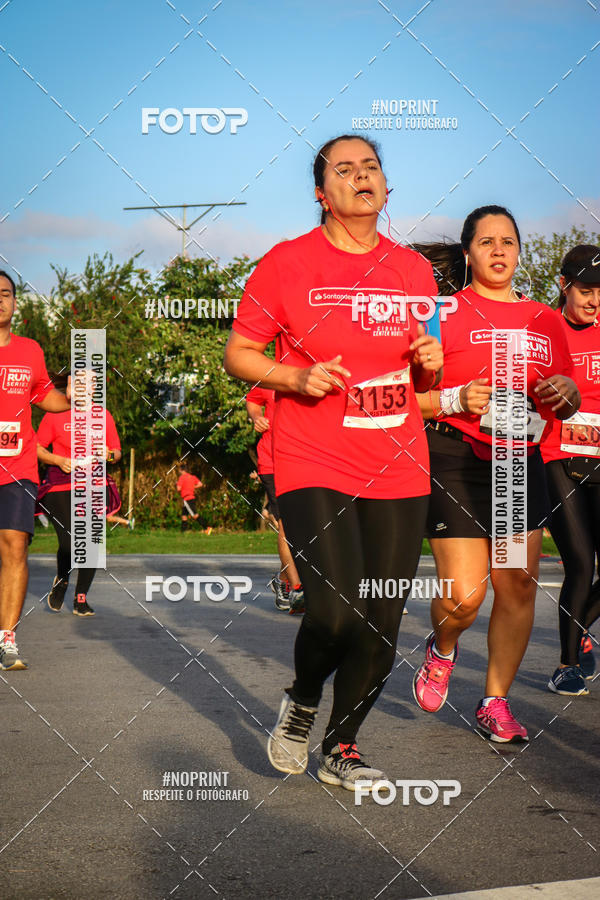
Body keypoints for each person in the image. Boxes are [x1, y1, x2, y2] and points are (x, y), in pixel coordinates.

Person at [224, 134, 442, 790]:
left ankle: (341, 745)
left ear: (386, 186)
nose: (361, 176)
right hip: (312, 456)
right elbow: (240, 354)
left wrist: (429, 362)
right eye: (344, 170)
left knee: (382, 618)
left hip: (399, 462)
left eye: (370, 167)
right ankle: (303, 698)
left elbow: (425, 375)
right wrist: (292, 379)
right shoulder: (287, 264)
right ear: (322, 193)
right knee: (334, 613)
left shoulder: (413, 271)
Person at [413, 206, 580, 743]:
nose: (499, 250)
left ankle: (494, 701)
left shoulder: (545, 320)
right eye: (487, 241)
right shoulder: (439, 313)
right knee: (464, 596)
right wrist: (453, 396)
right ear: (469, 253)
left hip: (517, 460)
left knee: (516, 586)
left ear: (518, 252)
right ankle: (442, 647)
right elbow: (405, 401)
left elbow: (567, 398)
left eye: (508, 240)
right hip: (456, 457)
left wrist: (566, 396)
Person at [0, 271, 70, 667]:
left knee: (14, 545)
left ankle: (6, 639)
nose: (0, 300)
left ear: (15, 302)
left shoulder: (30, 351)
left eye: (6, 294)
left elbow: (44, 394)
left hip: (18, 466)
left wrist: (72, 396)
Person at [540, 245, 600, 695]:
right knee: (580, 562)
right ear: (565, 286)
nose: (594, 299)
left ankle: (579, 629)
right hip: (556, 456)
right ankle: (566, 664)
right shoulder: (544, 328)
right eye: (585, 289)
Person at [37, 370, 123, 616]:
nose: (90, 385)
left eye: (94, 381)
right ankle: (62, 580)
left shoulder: (103, 416)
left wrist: (107, 454)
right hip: (60, 483)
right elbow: (37, 448)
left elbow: (116, 452)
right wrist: (58, 459)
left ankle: (81, 598)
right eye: (83, 380)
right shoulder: (57, 413)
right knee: (69, 542)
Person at [246, 386, 304, 613]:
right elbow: (252, 400)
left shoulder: (315, 373)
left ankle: (282, 580)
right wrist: (257, 416)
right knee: (286, 523)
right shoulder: (270, 375)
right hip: (274, 462)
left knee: (304, 528)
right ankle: (297, 589)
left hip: (307, 460)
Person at [176, 464, 211, 533]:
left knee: (194, 515)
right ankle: (183, 532)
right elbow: (200, 484)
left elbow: (178, 489)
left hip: (187, 499)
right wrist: (192, 487)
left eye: (179, 470)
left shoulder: (182, 478)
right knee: (184, 515)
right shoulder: (192, 477)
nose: (179, 471)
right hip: (191, 497)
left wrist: (177, 484)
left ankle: (207, 528)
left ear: (182, 470)